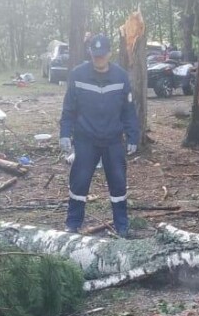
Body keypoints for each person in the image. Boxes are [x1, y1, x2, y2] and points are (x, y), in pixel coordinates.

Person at [59, 33, 140, 236]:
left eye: (102, 55)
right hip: (86, 139)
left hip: (113, 141)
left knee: (118, 183)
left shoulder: (121, 76)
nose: (99, 59)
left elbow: (128, 110)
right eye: (95, 56)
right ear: (90, 53)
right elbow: (69, 109)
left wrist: (133, 136)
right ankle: (73, 223)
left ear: (109, 53)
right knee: (79, 181)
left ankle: (122, 226)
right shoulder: (78, 75)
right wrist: (65, 133)